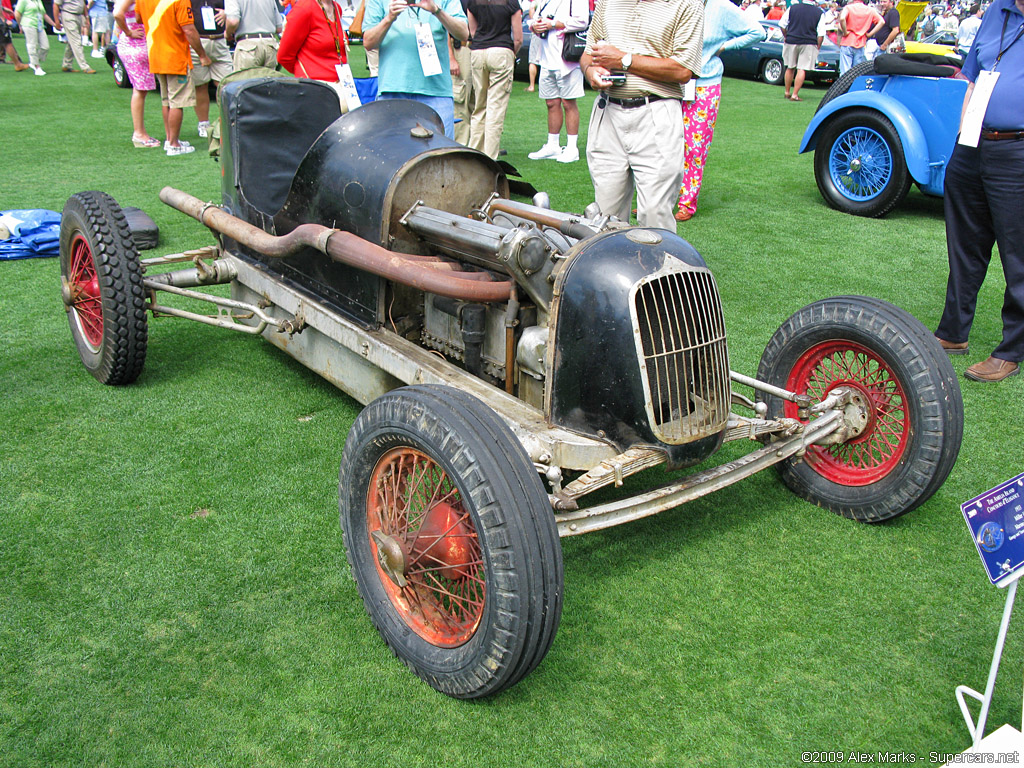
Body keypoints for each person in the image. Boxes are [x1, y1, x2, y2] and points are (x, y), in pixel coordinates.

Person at [934, 0, 1024, 382]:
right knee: (965, 244)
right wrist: (962, 138)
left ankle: (1012, 349)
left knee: (1018, 255)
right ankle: (953, 333)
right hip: (974, 143)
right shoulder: (996, 10)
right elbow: (973, 76)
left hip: (1018, 150)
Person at [579, 0, 703, 230]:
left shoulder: (687, 4)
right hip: (608, 112)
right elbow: (588, 54)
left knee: (655, 216)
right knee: (606, 216)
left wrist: (625, 60)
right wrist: (590, 70)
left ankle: (659, 266)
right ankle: (614, 266)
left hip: (656, 111)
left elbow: (683, 70)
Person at [675, 0, 762, 221]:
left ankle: (687, 202)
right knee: (666, 142)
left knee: (695, 148)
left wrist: (724, 47)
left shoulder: (721, 7)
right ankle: (661, 199)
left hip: (705, 85)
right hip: (673, 82)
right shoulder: (678, 3)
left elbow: (757, 32)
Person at [363, 0, 469, 139]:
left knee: (440, 155)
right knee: (394, 154)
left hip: (436, 93)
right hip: (393, 91)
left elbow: (463, 33)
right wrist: (389, 18)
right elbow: (368, 42)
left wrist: (437, 11)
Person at [135, 0, 211, 154]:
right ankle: (174, 144)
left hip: (156, 54)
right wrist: (202, 55)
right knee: (177, 101)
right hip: (175, 56)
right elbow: (189, 29)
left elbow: (138, 18)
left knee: (167, 100)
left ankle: (170, 139)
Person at [525, 0, 589, 164]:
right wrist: (535, 25)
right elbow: (537, 18)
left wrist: (553, 23)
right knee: (551, 103)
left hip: (567, 59)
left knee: (568, 103)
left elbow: (582, 21)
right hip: (546, 58)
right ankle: (552, 145)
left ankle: (572, 147)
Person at [466, 0, 521, 159]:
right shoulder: (511, 2)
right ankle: (490, 157)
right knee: (495, 108)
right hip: (501, 50)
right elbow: (518, 39)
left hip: (478, 52)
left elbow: (473, 31)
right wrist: (511, 53)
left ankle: (474, 153)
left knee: (479, 106)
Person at [277, 0, 351, 106]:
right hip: (314, 92)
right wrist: (308, 74)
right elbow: (284, 56)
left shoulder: (336, 8)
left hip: (341, 89)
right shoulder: (305, 8)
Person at [113, 0, 160, 145]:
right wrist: (129, 32)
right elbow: (117, 14)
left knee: (141, 90)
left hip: (140, 44)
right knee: (139, 89)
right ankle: (139, 134)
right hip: (135, 46)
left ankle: (140, 133)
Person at [190, 0, 231, 138]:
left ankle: (227, 122)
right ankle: (203, 123)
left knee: (226, 85)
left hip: (220, 40)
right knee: (200, 85)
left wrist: (227, 13)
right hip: (197, 41)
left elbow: (235, 7)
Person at [780, 0, 825, 101]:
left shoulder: (792, 8)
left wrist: (787, 36)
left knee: (790, 67)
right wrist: (818, 46)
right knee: (801, 68)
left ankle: (787, 92)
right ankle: (795, 94)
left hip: (791, 40)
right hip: (809, 42)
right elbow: (821, 33)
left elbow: (782, 25)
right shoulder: (819, 13)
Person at [224, 0, 283, 69]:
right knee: (268, 79)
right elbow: (279, 28)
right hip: (270, 44)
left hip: (247, 46)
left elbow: (232, 21)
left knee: (245, 79)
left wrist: (227, 33)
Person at [837, 0, 883, 74]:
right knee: (856, 72)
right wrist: (870, 34)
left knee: (845, 71)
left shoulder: (848, 8)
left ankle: (846, 86)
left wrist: (845, 32)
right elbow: (882, 21)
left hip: (847, 41)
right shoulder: (870, 10)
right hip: (861, 42)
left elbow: (842, 19)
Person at [448, 17, 473, 144]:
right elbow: (444, 28)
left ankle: (478, 147)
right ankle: (459, 145)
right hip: (459, 49)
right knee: (460, 102)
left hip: (477, 49)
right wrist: (451, 57)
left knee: (476, 103)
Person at [54, 0, 97, 72]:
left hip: (79, 15)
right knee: (76, 41)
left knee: (72, 41)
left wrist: (86, 17)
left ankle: (66, 64)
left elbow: (83, 4)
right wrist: (57, 21)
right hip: (68, 14)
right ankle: (85, 66)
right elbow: (56, 5)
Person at [14, 0, 53, 74]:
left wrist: (54, 24)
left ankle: (33, 62)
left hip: (39, 25)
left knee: (45, 47)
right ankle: (36, 66)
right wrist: (20, 25)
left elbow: (44, 14)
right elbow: (17, 13)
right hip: (29, 24)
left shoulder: (38, 1)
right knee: (32, 45)